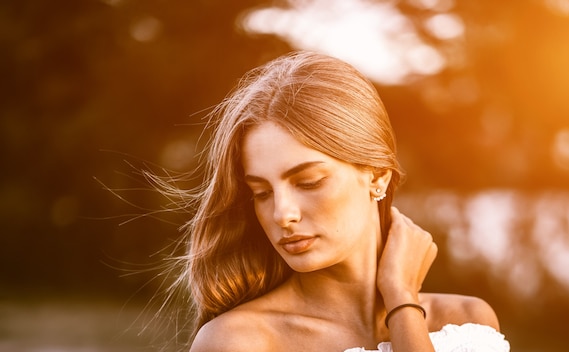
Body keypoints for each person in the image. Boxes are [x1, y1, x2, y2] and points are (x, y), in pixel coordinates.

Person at [167, 51, 509, 351]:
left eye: (309, 182)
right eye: (262, 193)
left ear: (377, 176)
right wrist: (402, 300)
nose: (282, 214)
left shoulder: (468, 322)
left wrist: (401, 298)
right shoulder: (241, 342)